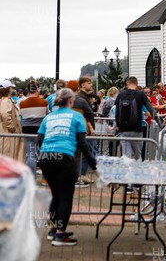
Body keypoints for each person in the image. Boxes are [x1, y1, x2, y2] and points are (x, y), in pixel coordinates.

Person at [37, 88, 97, 246]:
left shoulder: (48, 117)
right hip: (64, 156)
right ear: (71, 100)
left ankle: (54, 229)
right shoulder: (77, 116)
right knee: (65, 197)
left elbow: (39, 141)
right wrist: (92, 162)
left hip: (46, 156)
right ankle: (60, 235)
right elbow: (83, 143)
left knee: (56, 194)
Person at [115, 77, 156, 160]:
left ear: (127, 83)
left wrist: (119, 127)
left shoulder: (120, 94)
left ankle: (127, 171)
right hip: (136, 128)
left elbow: (117, 113)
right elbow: (150, 109)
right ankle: (137, 171)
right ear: (136, 84)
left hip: (123, 129)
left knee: (126, 156)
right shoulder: (140, 94)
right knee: (137, 155)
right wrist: (159, 120)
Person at [19, 80, 49, 174]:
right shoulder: (44, 102)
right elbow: (46, 115)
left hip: (27, 131)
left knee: (30, 155)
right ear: (37, 89)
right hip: (40, 132)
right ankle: (45, 179)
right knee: (43, 155)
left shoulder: (22, 103)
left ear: (28, 90)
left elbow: (22, 116)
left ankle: (32, 179)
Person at [0, 80, 25, 162]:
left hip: (6, 132)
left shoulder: (3, 100)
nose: (12, 89)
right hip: (8, 134)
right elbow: (4, 114)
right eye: (11, 87)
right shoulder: (6, 101)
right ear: (8, 89)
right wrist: (13, 129)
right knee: (10, 156)